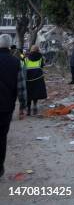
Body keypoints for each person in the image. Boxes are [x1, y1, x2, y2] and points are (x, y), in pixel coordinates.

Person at [0, 34, 27, 177]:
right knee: (2, 137)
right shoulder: (16, 62)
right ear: (10, 46)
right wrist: (23, 106)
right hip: (6, 107)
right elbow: (21, 87)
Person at [24, 45, 47, 116]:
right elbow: (42, 66)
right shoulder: (41, 58)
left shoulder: (26, 58)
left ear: (31, 50)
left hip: (29, 77)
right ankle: (35, 105)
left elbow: (24, 67)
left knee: (29, 92)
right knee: (36, 91)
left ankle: (28, 109)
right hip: (38, 77)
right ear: (38, 50)